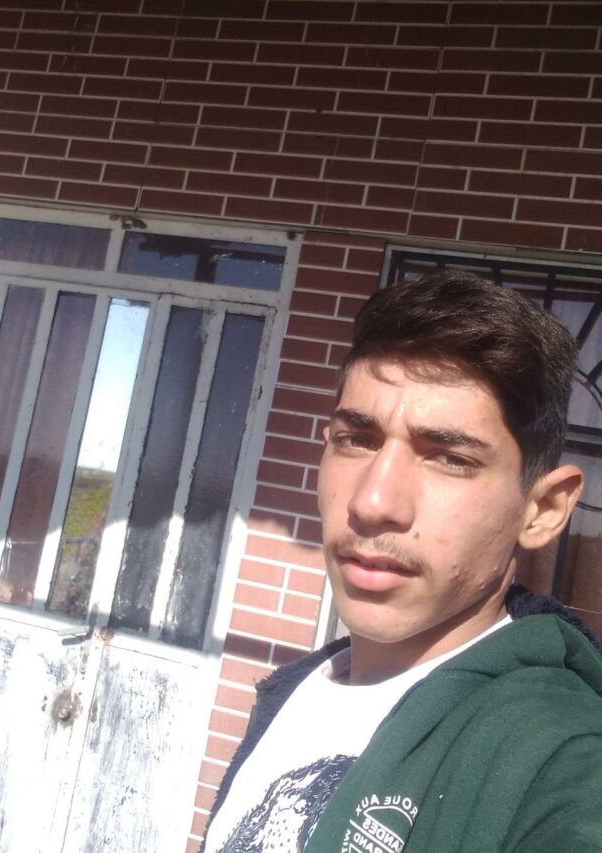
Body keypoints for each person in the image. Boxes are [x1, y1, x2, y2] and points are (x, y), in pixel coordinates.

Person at [202, 271, 602, 853]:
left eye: (450, 458)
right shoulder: (298, 689)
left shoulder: (559, 762)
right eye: (358, 440)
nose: (373, 502)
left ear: (542, 510)